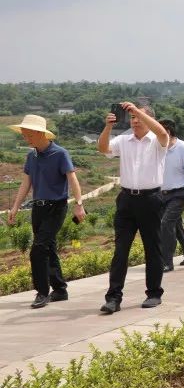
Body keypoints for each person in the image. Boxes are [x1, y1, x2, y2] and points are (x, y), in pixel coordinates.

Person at [97, 102, 169, 313]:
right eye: (132, 117)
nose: (135, 120)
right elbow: (103, 148)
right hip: (127, 199)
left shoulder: (158, 141)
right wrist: (108, 127)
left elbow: (162, 131)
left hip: (151, 199)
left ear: (149, 119)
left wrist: (138, 110)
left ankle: (154, 293)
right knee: (120, 250)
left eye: (139, 117)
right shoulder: (123, 140)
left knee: (152, 248)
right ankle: (113, 298)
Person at [7, 115, 84, 309]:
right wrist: (15, 207)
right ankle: (60, 289)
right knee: (48, 248)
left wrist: (79, 203)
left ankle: (42, 292)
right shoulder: (31, 156)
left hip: (56, 208)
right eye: (24, 135)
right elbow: (26, 183)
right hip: (38, 209)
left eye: (28, 135)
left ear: (40, 133)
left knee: (38, 249)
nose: (26, 139)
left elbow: (72, 179)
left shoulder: (60, 153)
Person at [159, 119, 184, 272]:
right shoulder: (159, 147)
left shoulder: (183, 148)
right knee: (175, 225)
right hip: (162, 193)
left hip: (180, 192)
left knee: (165, 224)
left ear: (167, 132)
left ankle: (167, 262)